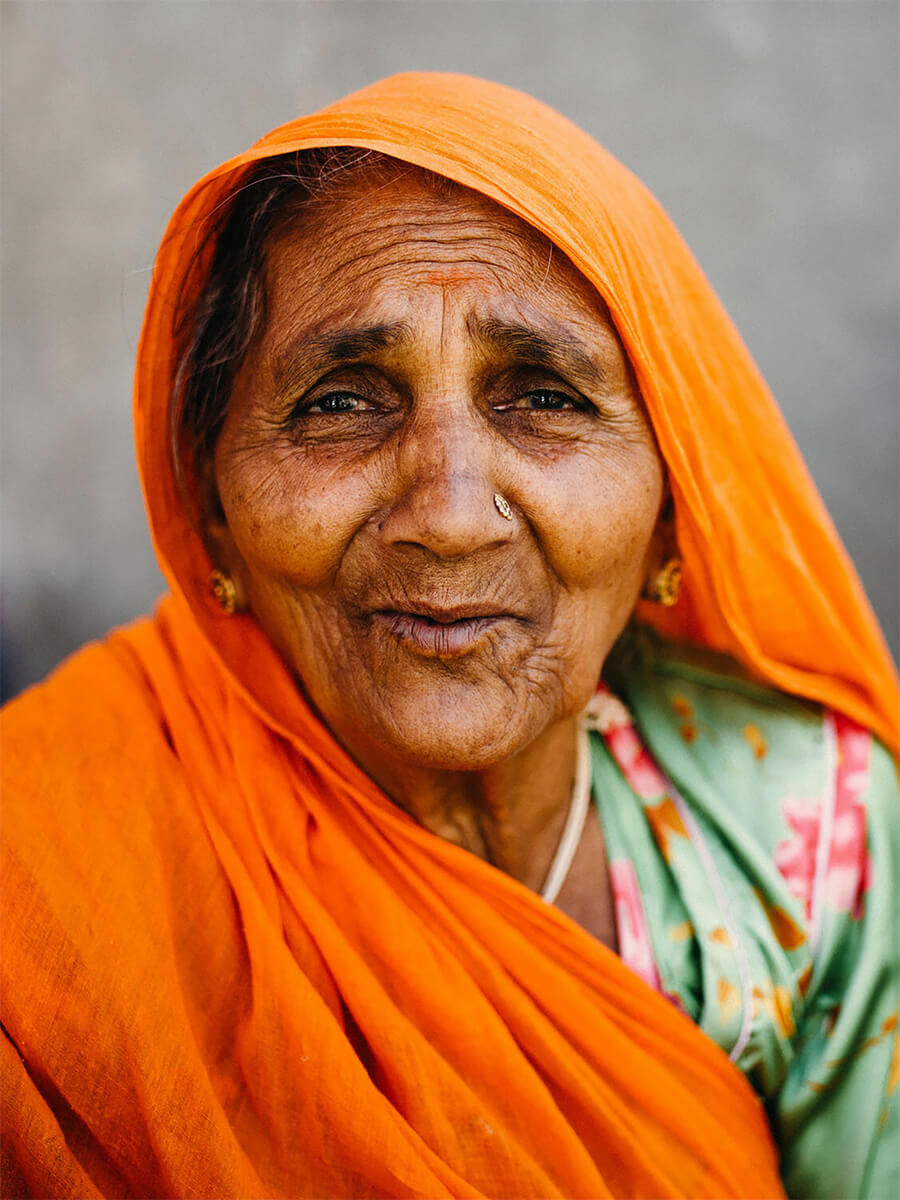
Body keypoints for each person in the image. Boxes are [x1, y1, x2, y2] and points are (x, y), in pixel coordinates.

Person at [1, 72, 897, 1200]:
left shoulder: (811, 843)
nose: (450, 512)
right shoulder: (31, 868)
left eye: (544, 396)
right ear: (211, 513)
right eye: (340, 399)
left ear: (675, 510)